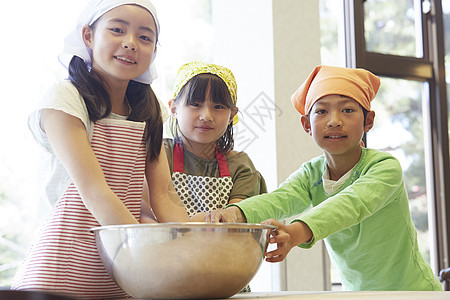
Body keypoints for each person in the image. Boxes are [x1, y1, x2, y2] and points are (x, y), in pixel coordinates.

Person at [207, 65, 442, 291]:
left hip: (413, 291)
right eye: (322, 111)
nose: (334, 121)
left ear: (368, 120)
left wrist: (296, 232)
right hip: (359, 294)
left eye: (347, 110)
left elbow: (350, 204)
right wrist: (230, 215)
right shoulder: (311, 174)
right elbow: (279, 199)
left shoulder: (384, 167)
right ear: (307, 124)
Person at [11, 0, 189, 298]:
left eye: (145, 37)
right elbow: (96, 192)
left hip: (120, 276)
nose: (131, 44)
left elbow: (164, 194)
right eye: (117, 30)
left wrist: (191, 249)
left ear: (155, 49)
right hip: (59, 274)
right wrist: (149, 259)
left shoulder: (150, 109)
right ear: (88, 37)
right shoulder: (65, 99)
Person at [165, 61, 267, 221]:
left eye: (218, 106)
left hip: (224, 246)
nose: (206, 116)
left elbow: (234, 223)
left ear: (232, 115)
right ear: (173, 109)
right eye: (195, 104)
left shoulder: (241, 167)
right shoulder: (159, 155)